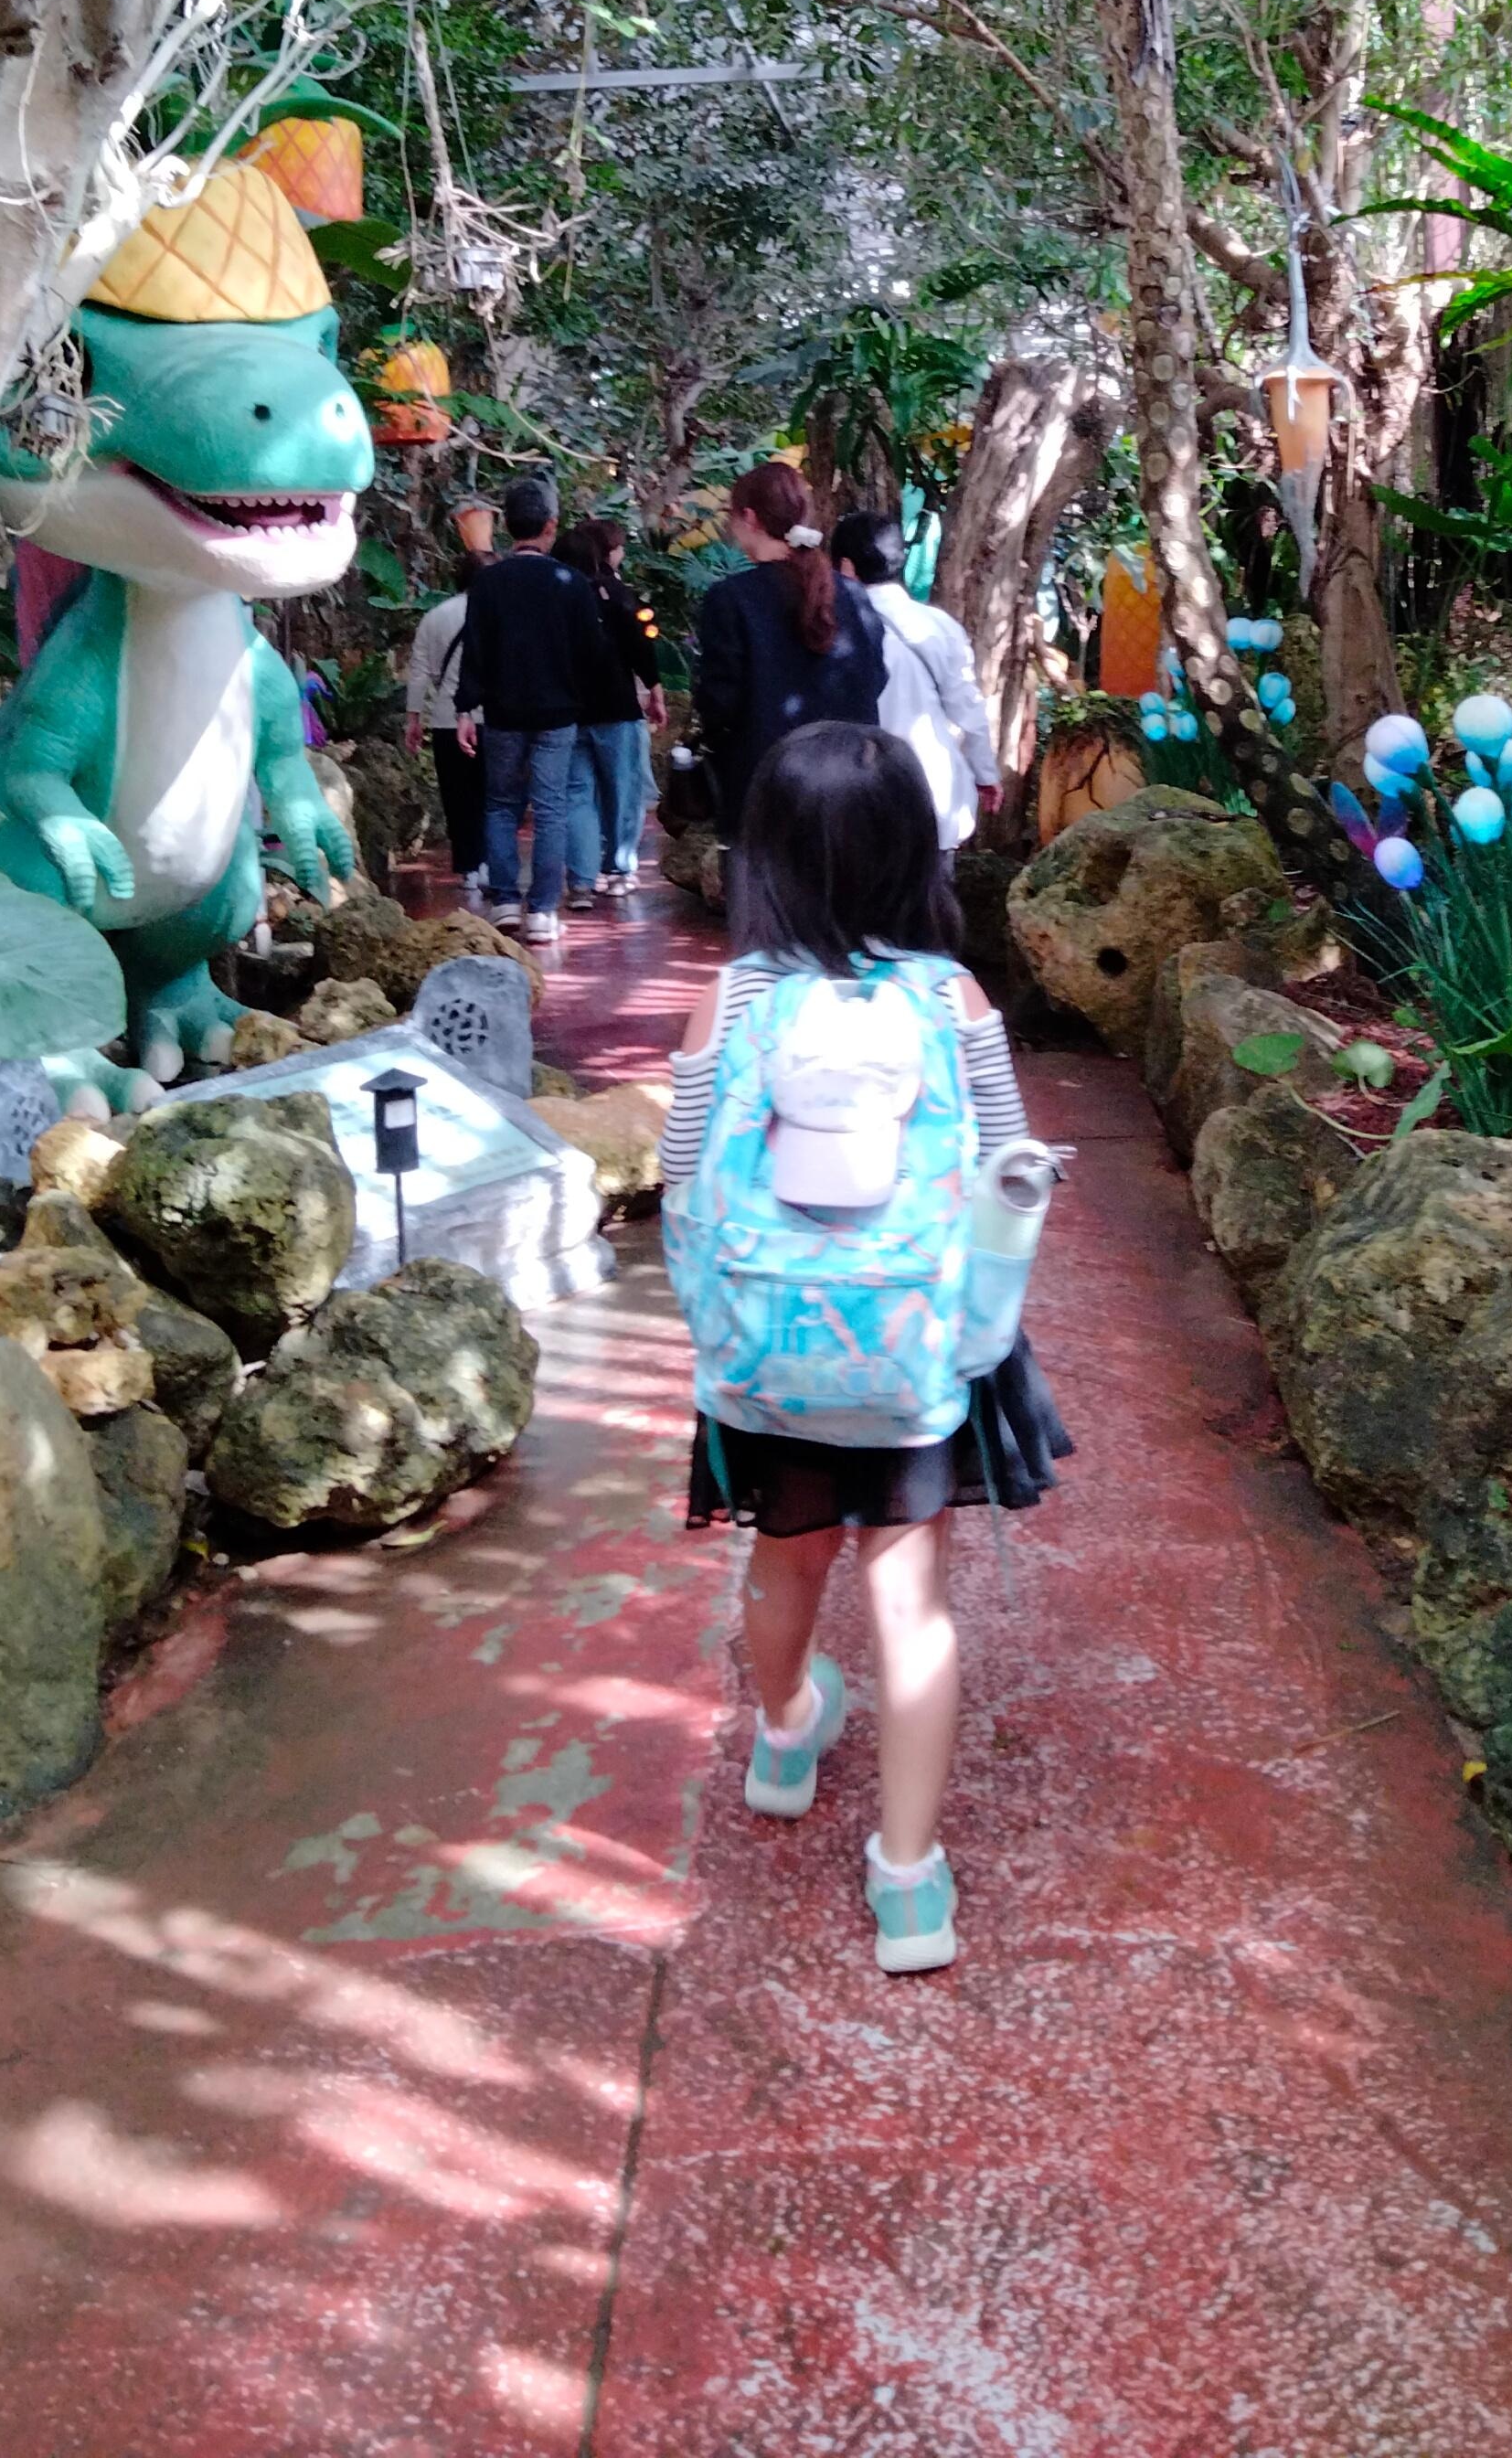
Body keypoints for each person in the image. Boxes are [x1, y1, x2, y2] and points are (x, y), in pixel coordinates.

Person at [660, 721, 1070, 1975]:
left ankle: (787, 1731)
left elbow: (680, 1179)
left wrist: (717, 1315)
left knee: (784, 1563)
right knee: (912, 1605)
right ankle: (907, 1885)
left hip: (764, 1355)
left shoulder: (733, 1001)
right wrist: (985, 1317)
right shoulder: (954, 999)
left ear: (766, 857)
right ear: (913, 855)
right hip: (910, 1360)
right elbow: (1010, 1168)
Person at [693, 461, 887, 852]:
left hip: (762, 793)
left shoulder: (731, 599)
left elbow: (718, 704)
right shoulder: (853, 595)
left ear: (750, 518)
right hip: (849, 785)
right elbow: (875, 679)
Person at [456, 470, 601, 942]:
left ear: (506, 526)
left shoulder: (489, 583)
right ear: (550, 526)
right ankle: (541, 910)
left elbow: (475, 650)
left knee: (501, 805)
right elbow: (591, 653)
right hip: (557, 713)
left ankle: (504, 902)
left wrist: (465, 709)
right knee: (551, 808)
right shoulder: (571, 582)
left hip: (503, 712)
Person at [828, 510, 1000, 865]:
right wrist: (985, 775)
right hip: (933, 799)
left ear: (846, 567)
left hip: (854, 803)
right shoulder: (939, 626)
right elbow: (969, 712)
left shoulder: (829, 630)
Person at [555, 516, 663, 899]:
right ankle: (618, 867)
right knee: (622, 791)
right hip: (616, 706)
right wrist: (654, 687)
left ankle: (583, 879)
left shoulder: (553, 600)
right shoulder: (613, 593)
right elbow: (639, 644)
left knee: (577, 796)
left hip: (569, 710)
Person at [404, 557, 484, 897]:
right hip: (491, 718)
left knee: (457, 795)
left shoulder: (434, 616)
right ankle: (489, 862)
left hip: (446, 719)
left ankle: (468, 867)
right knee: (491, 794)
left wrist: (413, 718)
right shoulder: (496, 612)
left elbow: (419, 672)